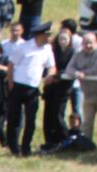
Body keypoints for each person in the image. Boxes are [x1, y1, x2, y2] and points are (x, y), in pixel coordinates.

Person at [3, 19, 54, 156]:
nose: (49, 38)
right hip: (18, 86)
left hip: (32, 88)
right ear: (40, 36)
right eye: (47, 35)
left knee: (30, 121)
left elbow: (51, 66)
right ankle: (13, 147)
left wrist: (50, 74)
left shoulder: (47, 49)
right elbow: (11, 65)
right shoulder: (24, 47)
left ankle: (26, 147)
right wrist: (11, 84)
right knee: (13, 119)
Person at [65, 29, 97, 146]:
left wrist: (83, 73)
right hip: (88, 94)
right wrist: (76, 74)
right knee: (87, 122)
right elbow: (69, 69)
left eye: (91, 43)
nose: (88, 45)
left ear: (96, 42)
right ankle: (86, 144)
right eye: (85, 43)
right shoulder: (78, 53)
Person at [39, 19, 76, 148]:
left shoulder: (72, 53)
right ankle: (50, 140)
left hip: (63, 87)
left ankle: (65, 138)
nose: (63, 41)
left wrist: (56, 75)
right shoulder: (52, 51)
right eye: (61, 38)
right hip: (50, 87)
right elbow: (47, 65)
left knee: (57, 114)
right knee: (48, 115)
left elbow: (70, 69)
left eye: (65, 38)